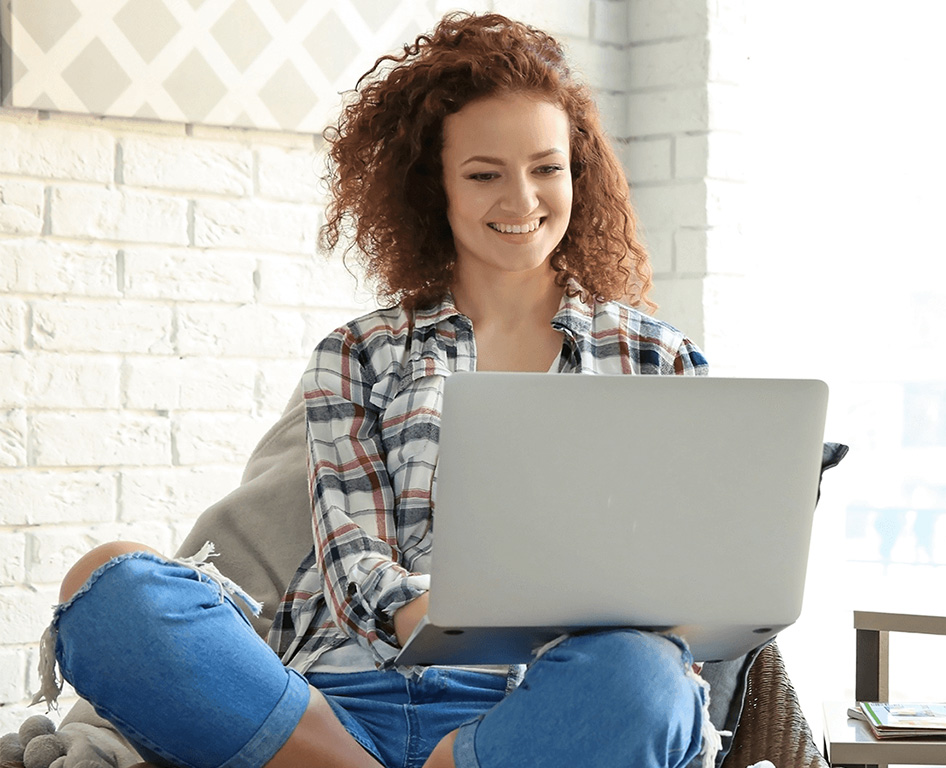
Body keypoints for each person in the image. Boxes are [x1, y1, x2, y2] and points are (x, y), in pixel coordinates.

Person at [30, 13, 720, 768]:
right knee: (109, 585)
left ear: (577, 175)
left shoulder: (659, 359)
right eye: (485, 173)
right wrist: (453, 621)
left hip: (535, 710)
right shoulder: (358, 354)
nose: (521, 199)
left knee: (649, 680)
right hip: (336, 704)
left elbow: (684, 577)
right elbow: (357, 563)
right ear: (438, 190)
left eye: (546, 168)